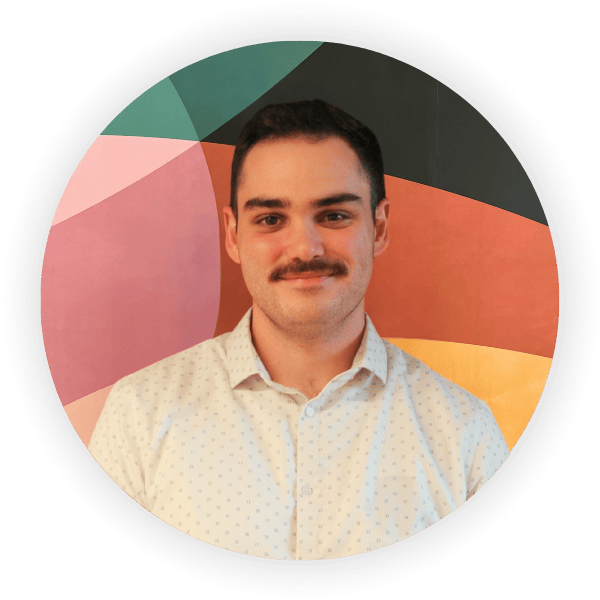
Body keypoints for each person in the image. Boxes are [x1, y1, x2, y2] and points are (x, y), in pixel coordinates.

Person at [89, 99, 510, 560]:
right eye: (271, 219)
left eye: (333, 216)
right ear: (233, 234)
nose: (305, 248)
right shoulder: (139, 417)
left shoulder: (464, 434)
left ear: (379, 227)